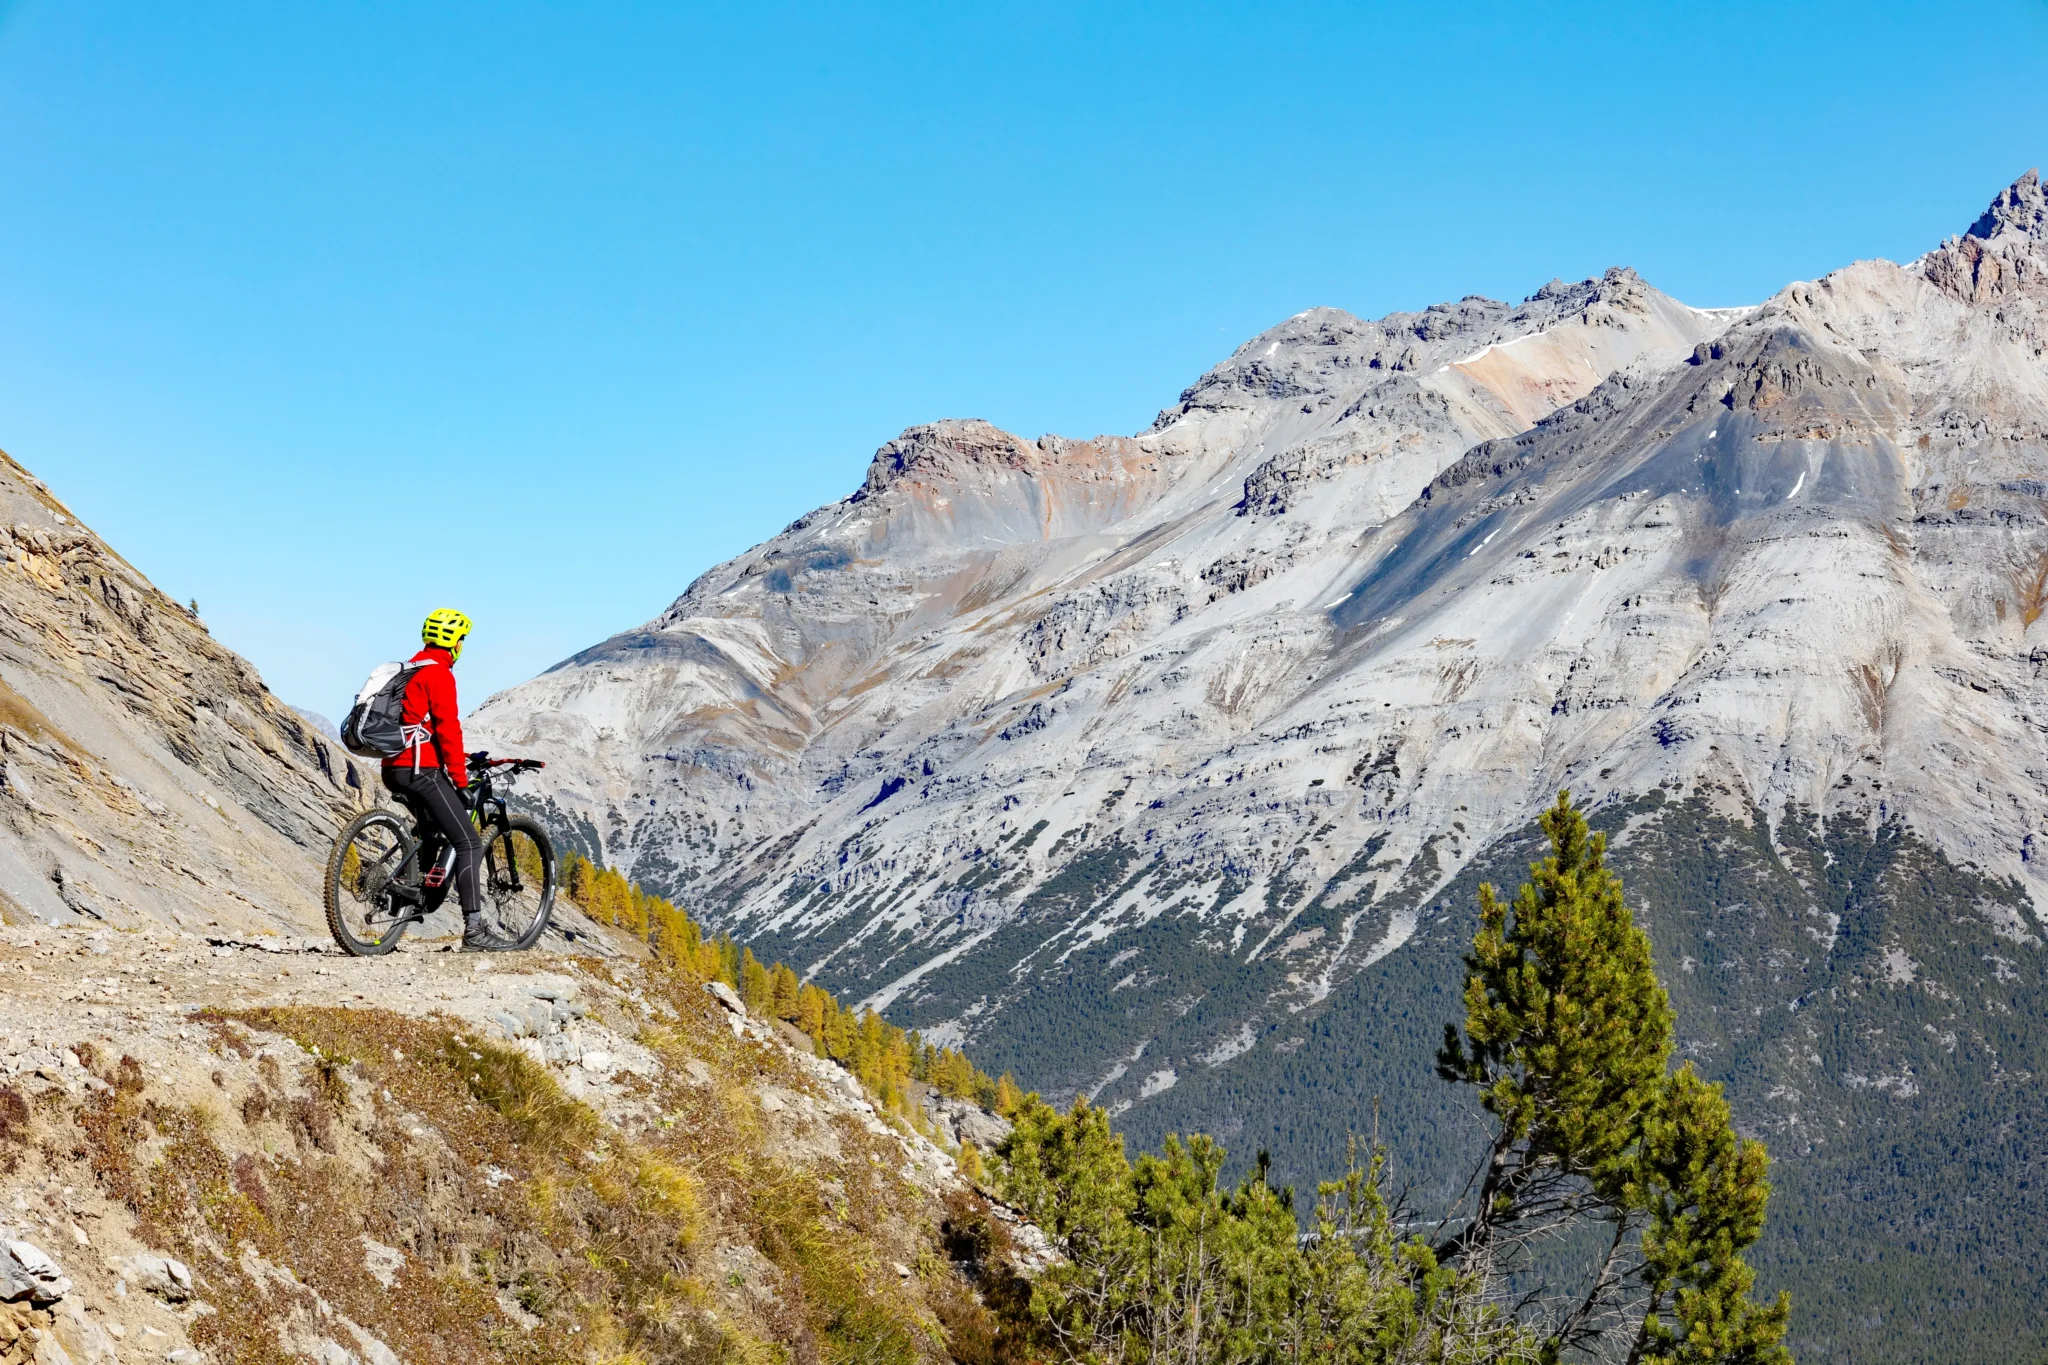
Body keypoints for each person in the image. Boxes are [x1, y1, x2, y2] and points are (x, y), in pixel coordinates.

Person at [380, 608, 515, 951]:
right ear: (455, 643)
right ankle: (474, 931)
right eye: (462, 640)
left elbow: (416, 727)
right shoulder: (439, 674)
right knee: (468, 842)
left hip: (393, 768)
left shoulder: (409, 669)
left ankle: (413, 888)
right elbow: (447, 729)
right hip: (419, 769)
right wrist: (459, 779)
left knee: (433, 832)